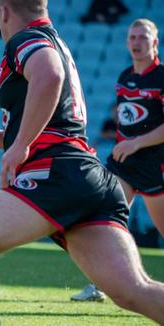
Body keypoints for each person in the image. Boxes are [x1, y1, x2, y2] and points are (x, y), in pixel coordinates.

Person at [0, 0, 164, 325]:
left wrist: (19, 145)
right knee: (132, 291)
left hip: (56, 174)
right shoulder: (55, 40)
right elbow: (58, 120)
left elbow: (50, 77)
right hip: (89, 176)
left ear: (3, 11)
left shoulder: (25, 39)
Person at [71, 18, 164, 302]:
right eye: (132, 37)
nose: (136, 42)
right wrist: (120, 143)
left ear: (155, 43)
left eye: (142, 37)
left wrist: (136, 143)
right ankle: (100, 285)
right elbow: (128, 120)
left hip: (154, 164)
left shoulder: (161, 77)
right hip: (123, 163)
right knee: (103, 220)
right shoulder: (125, 77)